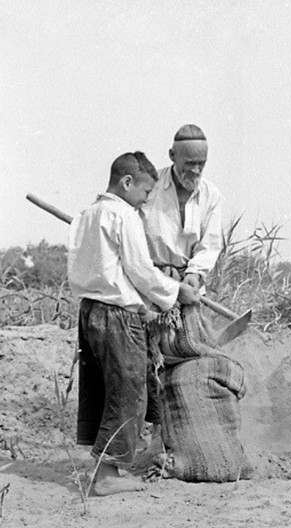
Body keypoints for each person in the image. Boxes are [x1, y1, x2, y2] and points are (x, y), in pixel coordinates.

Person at [67, 152, 200, 496]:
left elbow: (110, 270)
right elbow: (140, 271)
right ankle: (107, 474)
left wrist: (143, 302)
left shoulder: (87, 214)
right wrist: (176, 292)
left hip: (90, 312)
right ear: (127, 183)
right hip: (116, 316)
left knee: (103, 388)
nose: (144, 202)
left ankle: (100, 464)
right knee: (129, 391)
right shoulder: (123, 215)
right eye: (144, 193)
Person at [141, 124, 224, 291]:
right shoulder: (149, 186)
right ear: (172, 155)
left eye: (201, 164)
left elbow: (210, 245)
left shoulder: (212, 196)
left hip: (190, 287)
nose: (195, 170)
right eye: (189, 163)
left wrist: (194, 274)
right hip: (151, 285)